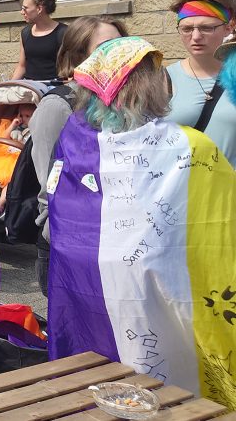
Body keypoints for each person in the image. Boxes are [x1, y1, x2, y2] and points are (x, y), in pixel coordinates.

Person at [46, 37, 236, 408]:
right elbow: (221, 222)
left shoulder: (73, 140)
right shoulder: (190, 146)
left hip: (85, 281)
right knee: (172, 380)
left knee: (102, 385)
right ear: (152, 84)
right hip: (162, 284)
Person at [30, 15, 127, 296]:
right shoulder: (58, 106)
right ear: (78, 56)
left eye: (122, 45)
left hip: (120, 241)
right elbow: (50, 186)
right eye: (106, 47)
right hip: (70, 246)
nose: (118, 54)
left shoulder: (129, 103)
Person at [164, 0, 236, 166]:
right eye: (187, 29)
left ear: (229, 28)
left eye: (206, 28)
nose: (195, 37)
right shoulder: (164, 79)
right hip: (185, 190)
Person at [11, 0, 67, 82]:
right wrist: (9, 85)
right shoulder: (25, 33)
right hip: (28, 86)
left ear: (39, 9)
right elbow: (22, 66)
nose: (22, 12)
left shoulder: (63, 33)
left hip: (53, 87)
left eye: (25, 8)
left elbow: (70, 69)